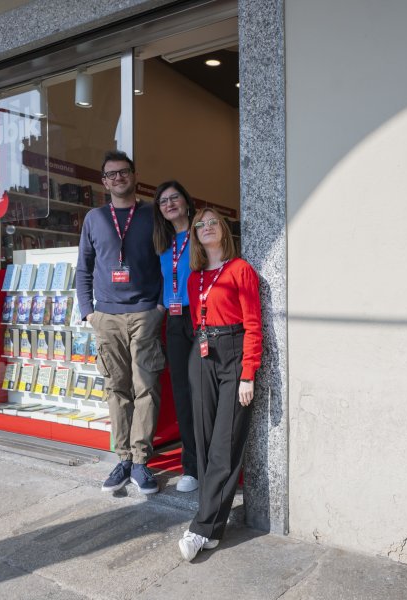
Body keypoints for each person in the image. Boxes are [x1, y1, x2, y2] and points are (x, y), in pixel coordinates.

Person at [76, 149, 165, 495]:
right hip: (107, 316)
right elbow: (83, 268)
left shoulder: (152, 215)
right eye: (111, 174)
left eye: (123, 172)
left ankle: (141, 461)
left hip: (145, 313)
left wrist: (159, 306)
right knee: (117, 389)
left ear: (134, 175)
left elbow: (166, 262)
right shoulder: (94, 219)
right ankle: (123, 458)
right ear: (104, 182)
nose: (118, 178)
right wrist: (88, 312)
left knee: (146, 388)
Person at [178, 208, 263, 561]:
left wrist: (248, 373)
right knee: (204, 439)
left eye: (213, 222)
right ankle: (212, 527)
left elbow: (254, 325)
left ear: (223, 230)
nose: (206, 227)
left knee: (224, 445)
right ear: (195, 234)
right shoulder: (195, 277)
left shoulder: (240, 270)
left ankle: (201, 528)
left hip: (231, 353)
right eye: (200, 224)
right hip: (201, 354)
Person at [152, 180, 199, 494]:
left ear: (186, 201)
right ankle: (191, 467)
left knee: (204, 390)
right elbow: (162, 284)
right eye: (163, 201)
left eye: (174, 198)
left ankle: (213, 461)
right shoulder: (163, 242)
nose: (169, 204)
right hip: (174, 320)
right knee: (183, 393)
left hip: (202, 318)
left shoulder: (201, 232)